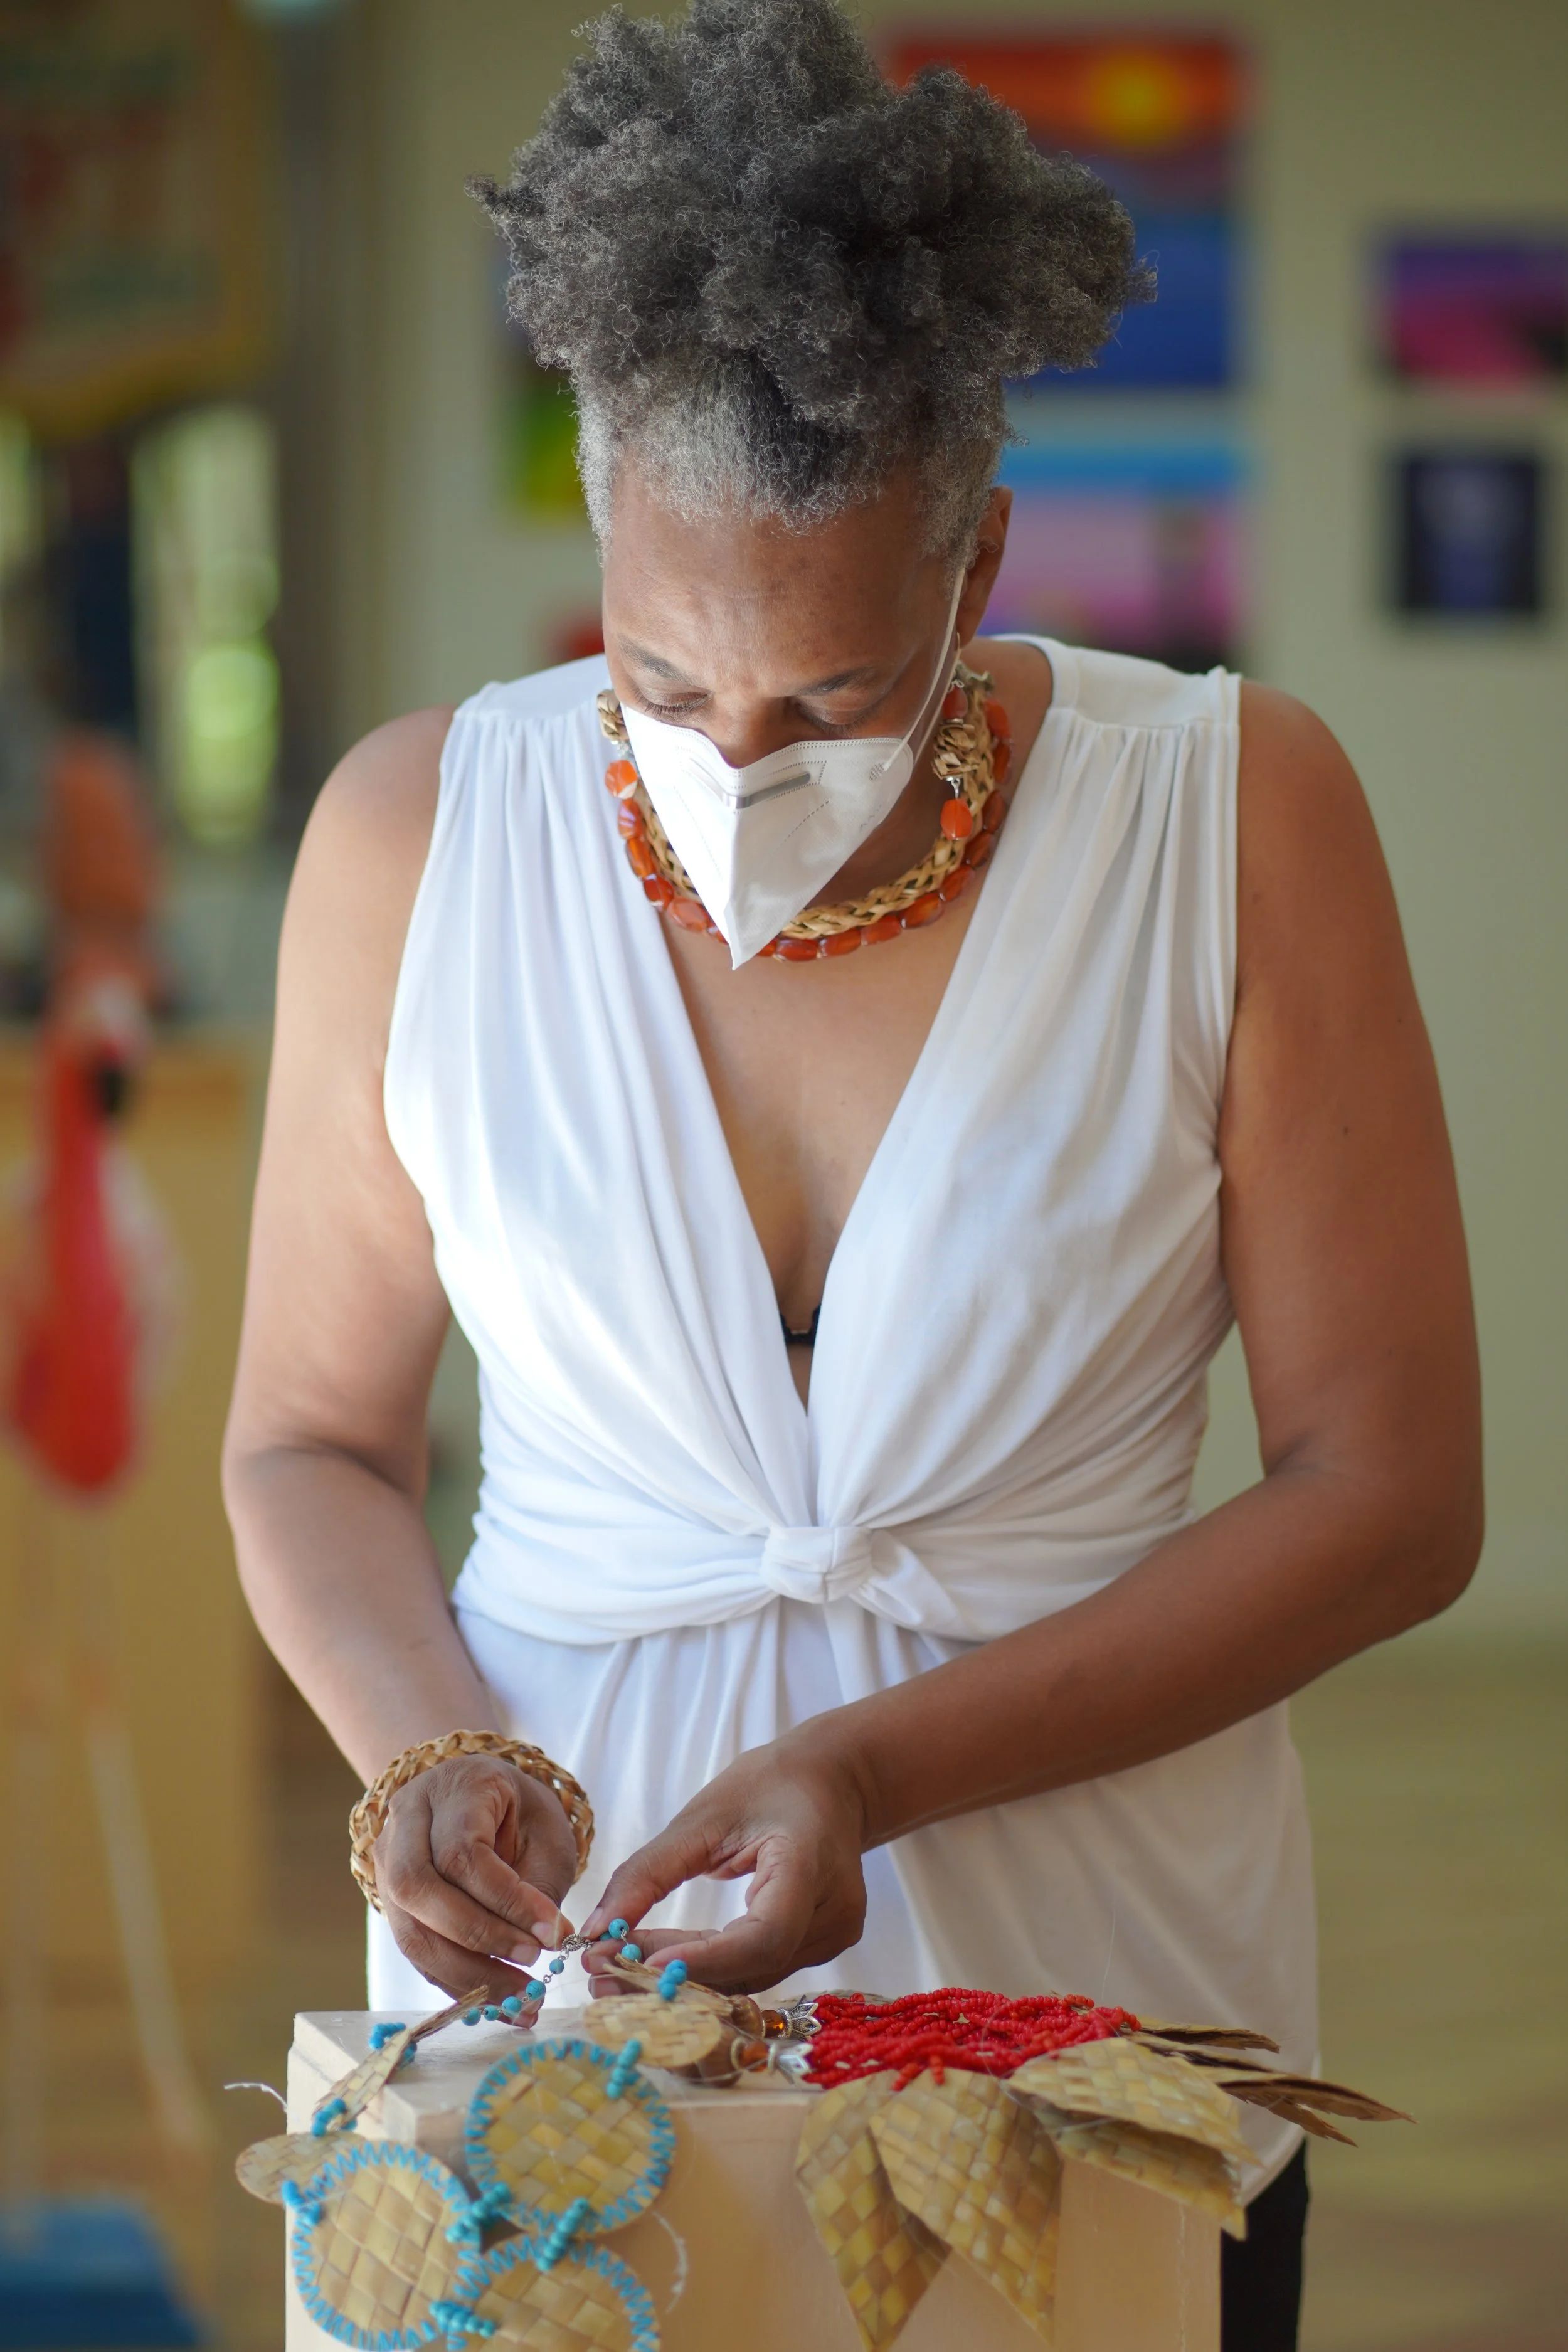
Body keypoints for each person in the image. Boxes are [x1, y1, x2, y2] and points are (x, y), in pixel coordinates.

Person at [223, 5, 1481, 2344]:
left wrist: (870, 1769)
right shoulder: (415, 837)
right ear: (598, 530)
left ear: (978, 560)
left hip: (1093, 1953)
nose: (733, 771)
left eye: (823, 701)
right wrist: (424, 1758)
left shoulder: (1231, 812)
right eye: (659, 683)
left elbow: (1392, 1494)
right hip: (552, 2024)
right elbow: (306, 1435)